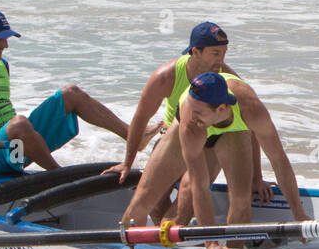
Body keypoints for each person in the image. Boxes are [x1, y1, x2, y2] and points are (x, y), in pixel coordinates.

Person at [0, 9, 138, 176]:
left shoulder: (2, 65)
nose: (5, 45)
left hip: (20, 142)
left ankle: (132, 136)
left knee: (70, 93)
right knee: (19, 123)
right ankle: (57, 175)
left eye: (7, 39)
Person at [118, 72, 307, 238]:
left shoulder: (252, 110)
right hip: (191, 132)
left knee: (241, 200)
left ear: (222, 109)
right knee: (143, 199)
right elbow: (199, 185)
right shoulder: (190, 120)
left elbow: (278, 160)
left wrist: (298, 213)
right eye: (191, 109)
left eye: (197, 112)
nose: (192, 115)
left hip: (233, 133)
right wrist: (211, 242)